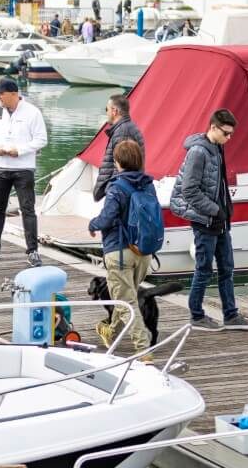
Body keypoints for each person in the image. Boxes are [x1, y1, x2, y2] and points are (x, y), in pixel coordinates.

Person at [169, 109, 248, 331]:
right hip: (205, 220)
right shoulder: (198, 152)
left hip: (219, 220)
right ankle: (196, 315)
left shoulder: (217, 148)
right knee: (204, 269)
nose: (229, 138)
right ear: (213, 128)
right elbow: (189, 190)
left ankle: (231, 314)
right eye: (226, 133)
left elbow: (217, 184)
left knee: (227, 268)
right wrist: (215, 210)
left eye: (231, 134)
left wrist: (224, 212)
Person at [87, 139, 154, 360]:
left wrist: (93, 224)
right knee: (128, 296)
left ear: (118, 162)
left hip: (119, 252)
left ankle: (143, 349)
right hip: (143, 252)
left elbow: (107, 218)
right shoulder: (147, 184)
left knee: (127, 303)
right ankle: (110, 327)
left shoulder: (117, 187)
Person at [0, 77, 48, 267]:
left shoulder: (33, 112)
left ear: (13, 94)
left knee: (27, 209)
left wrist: (19, 150)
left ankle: (33, 251)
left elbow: (41, 140)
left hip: (23, 168)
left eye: (1, 93)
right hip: (0, 166)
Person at [93, 94, 145, 202]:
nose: (106, 113)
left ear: (114, 111)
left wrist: (112, 192)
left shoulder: (123, 132)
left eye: (106, 109)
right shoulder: (126, 128)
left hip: (120, 195)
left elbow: (122, 169)